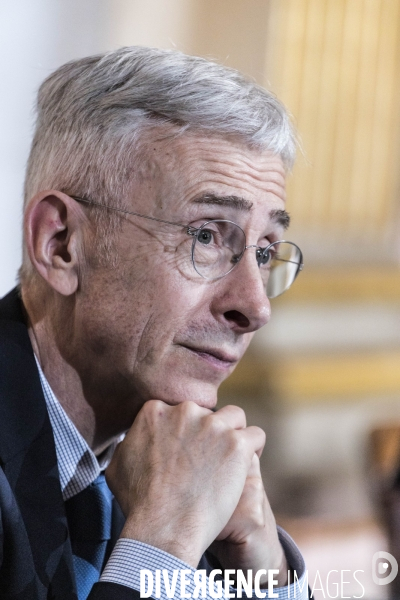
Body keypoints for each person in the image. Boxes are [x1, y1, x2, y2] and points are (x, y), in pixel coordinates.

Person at [0, 46, 307, 600]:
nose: (255, 307)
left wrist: (266, 574)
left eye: (265, 252)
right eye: (207, 236)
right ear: (62, 245)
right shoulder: (179, 499)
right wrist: (162, 547)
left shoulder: (182, 452)